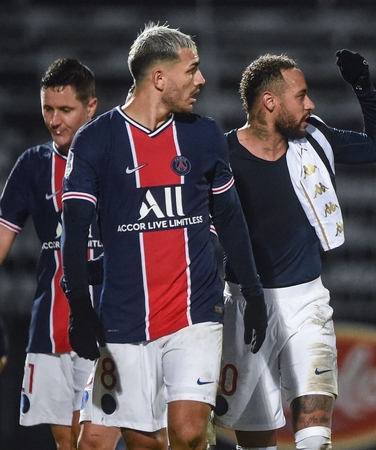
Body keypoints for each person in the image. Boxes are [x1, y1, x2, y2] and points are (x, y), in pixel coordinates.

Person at [60, 24, 267, 450]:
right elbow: (75, 229)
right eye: (191, 70)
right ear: (159, 78)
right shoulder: (96, 141)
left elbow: (229, 218)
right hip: (122, 319)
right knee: (144, 443)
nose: (201, 80)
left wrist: (253, 289)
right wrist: (79, 306)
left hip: (195, 313)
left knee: (189, 434)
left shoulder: (204, 135)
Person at [211, 51, 376, 450]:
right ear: (270, 102)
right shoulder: (223, 157)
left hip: (307, 302)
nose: (310, 104)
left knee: (315, 437)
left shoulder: (315, 138)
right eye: (301, 95)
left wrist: (364, 89)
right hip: (246, 305)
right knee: (255, 443)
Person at [0, 58, 120, 450]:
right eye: (47, 109)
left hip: (112, 330)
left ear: (91, 107)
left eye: (65, 110)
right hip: (50, 331)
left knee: (94, 441)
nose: (54, 120)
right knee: (66, 441)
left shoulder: (119, 161)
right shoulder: (32, 166)